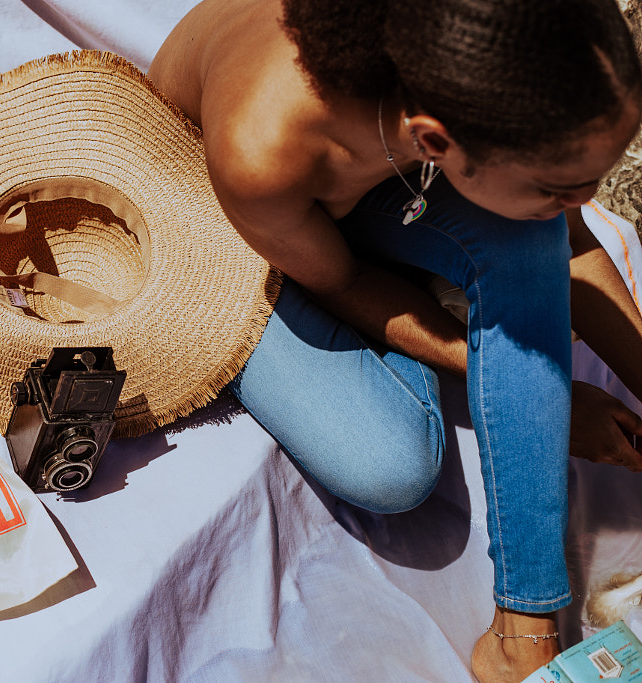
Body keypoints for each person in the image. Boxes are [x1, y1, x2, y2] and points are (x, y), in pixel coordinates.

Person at [148, 0, 642, 681]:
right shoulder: (261, 146)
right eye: (562, 187)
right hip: (226, 219)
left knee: (533, 239)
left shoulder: (473, 56)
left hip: (360, 190)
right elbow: (341, 281)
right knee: (391, 465)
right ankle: (520, 637)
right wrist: (529, 388)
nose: (586, 201)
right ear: (437, 141)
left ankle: (521, 631)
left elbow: (569, 244)